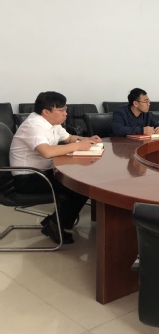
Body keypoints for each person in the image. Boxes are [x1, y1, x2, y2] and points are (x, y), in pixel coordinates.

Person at [9, 91, 102, 244]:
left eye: (66, 109)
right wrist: (78, 146)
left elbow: (68, 138)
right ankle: (55, 225)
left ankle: (55, 222)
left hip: (45, 172)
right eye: (62, 110)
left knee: (81, 183)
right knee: (80, 187)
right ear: (46, 111)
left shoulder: (52, 123)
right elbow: (46, 152)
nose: (66, 114)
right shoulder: (33, 126)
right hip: (28, 178)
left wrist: (87, 139)